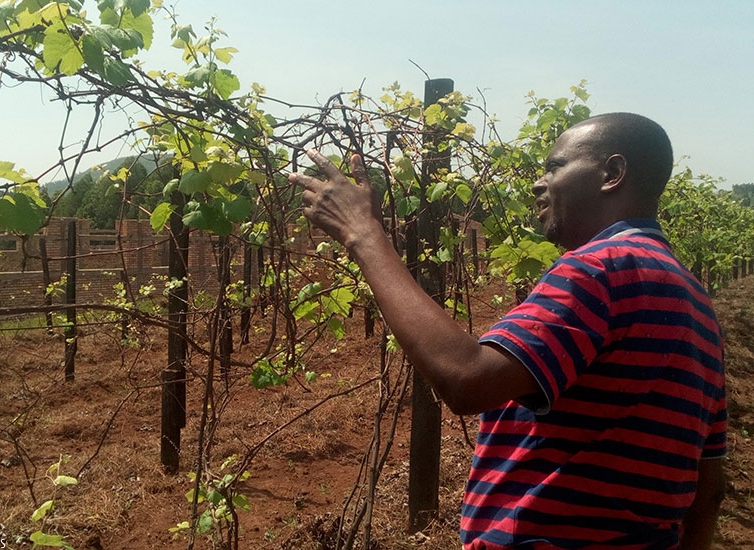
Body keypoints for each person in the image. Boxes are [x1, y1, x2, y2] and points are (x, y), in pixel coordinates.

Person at [289, 112, 726, 549]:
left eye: (555, 167)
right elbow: (707, 489)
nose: (538, 183)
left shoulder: (603, 268)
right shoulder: (696, 303)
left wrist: (362, 235)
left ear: (612, 174)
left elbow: (467, 379)